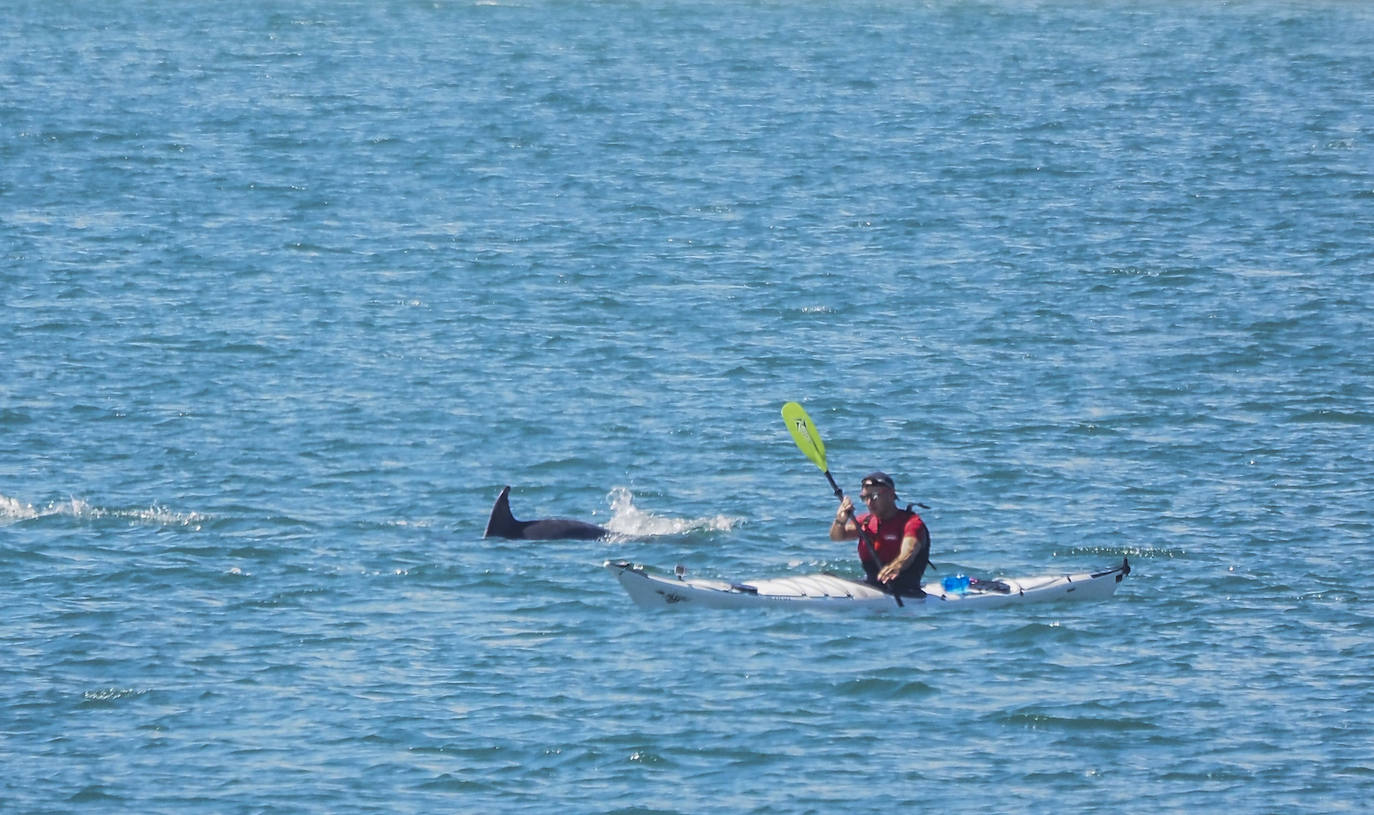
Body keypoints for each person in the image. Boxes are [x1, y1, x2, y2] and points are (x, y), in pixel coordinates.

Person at [828, 471, 930, 596]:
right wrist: (840, 520)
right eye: (865, 498)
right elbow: (837, 536)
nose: (869, 503)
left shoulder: (911, 523)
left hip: (905, 590)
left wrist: (896, 566)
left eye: (874, 496)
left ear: (891, 495)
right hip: (872, 586)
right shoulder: (866, 521)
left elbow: (909, 551)